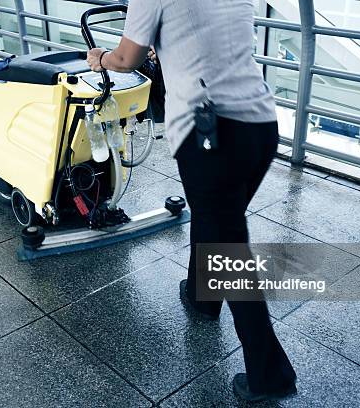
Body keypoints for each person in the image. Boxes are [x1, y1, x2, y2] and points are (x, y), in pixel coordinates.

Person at [87, 0, 297, 402]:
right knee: (217, 221)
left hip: (212, 134)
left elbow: (127, 57)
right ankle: (203, 297)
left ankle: (271, 375)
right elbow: (205, 38)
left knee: (228, 251)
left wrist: (100, 58)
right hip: (260, 126)